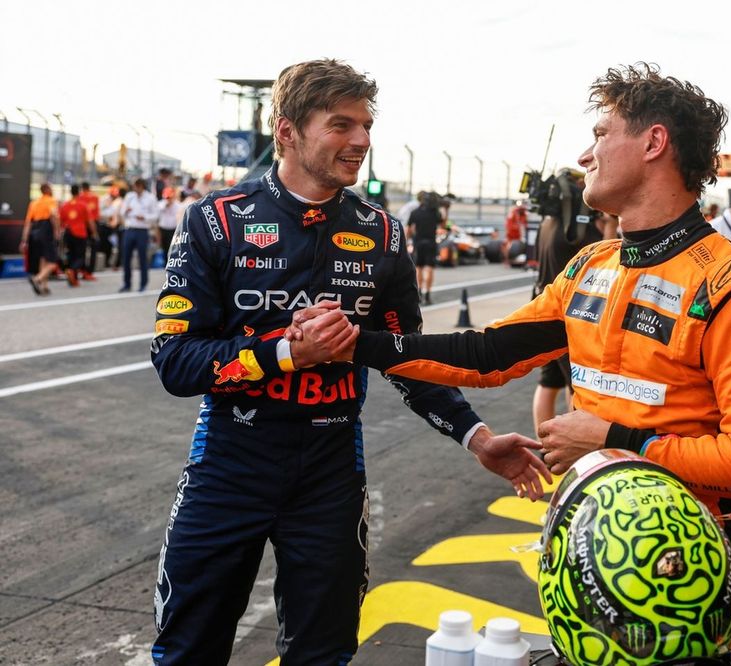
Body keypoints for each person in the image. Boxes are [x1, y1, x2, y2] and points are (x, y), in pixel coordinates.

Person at [302, 63, 731, 661]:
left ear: (653, 143)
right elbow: (488, 355)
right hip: (584, 553)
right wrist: (357, 344)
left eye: (601, 134)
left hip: (687, 573)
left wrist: (615, 440)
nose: (585, 156)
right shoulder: (590, 266)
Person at [147, 58, 547, 666]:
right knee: (187, 651)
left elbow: (407, 357)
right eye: (341, 124)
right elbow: (175, 361)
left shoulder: (382, 232)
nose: (361, 140)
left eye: (366, 126)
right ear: (287, 131)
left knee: (324, 653)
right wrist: (287, 353)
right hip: (230, 461)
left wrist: (478, 436)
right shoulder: (215, 219)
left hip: (330, 469)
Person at [530, 176, 606, 436]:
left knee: (548, 382)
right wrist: (609, 224)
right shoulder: (577, 230)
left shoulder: (548, 222)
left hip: (542, 306)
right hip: (570, 316)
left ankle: (544, 448)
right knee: (577, 386)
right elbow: (605, 258)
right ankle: (572, 449)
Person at [118, 177, 159, 292]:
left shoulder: (150, 198)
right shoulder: (130, 196)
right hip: (130, 229)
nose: (135, 189)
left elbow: (156, 215)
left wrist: (144, 217)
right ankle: (127, 284)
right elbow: (121, 212)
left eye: (137, 186)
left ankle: (143, 284)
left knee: (142, 258)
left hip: (142, 230)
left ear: (142, 186)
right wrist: (126, 211)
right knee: (126, 257)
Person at [20, 183, 61, 295]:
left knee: (43, 259)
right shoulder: (51, 201)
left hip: (35, 233)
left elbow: (28, 223)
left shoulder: (34, 203)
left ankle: (44, 286)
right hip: (46, 232)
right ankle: (37, 279)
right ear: (47, 190)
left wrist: (24, 240)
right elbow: (54, 215)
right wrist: (57, 231)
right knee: (53, 261)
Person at [407, 191, 442, 304]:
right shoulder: (435, 212)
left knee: (418, 269)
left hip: (418, 243)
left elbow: (409, 229)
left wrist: (409, 240)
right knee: (429, 268)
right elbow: (443, 224)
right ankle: (428, 294)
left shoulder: (415, 212)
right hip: (431, 243)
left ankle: (419, 292)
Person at [59, 184, 93, 286]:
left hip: (68, 233)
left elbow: (60, 221)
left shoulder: (65, 205)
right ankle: (72, 270)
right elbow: (90, 221)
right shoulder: (83, 205)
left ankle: (74, 279)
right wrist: (94, 233)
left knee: (71, 255)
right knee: (80, 257)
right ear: (79, 192)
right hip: (80, 233)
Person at [79, 181, 101, 280]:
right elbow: (96, 213)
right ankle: (89, 271)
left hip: (82, 225)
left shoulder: (80, 197)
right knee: (93, 249)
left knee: (82, 248)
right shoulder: (95, 197)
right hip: (93, 223)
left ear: (82, 188)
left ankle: (82, 269)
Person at [156, 187, 182, 255]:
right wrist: (166, 205)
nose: (168, 199)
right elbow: (158, 215)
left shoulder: (178, 205)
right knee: (164, 248)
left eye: (169, 197)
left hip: (173, 230)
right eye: (167, 198)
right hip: (163, 230)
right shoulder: (161, 204)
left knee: (173, 249)